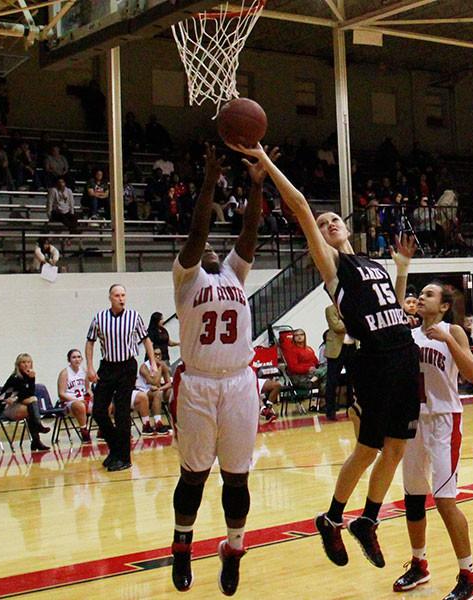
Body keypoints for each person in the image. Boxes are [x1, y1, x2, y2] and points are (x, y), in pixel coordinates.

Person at [232, 142, 422, 573]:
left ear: (346, 227)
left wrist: (402, 268)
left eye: (335, 218)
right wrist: (267, 160)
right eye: (323, 222)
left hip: (403, 353)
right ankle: (332, 517)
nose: (330, 223)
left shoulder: (370, 261)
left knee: (397, 447)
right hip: (373, 359)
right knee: (369, 447)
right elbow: (299, 205)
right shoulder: (334, 265)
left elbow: (392, 306)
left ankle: (367, 520)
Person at [169, 144, 274, 596]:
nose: (211, 247)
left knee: (237, 475)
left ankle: (233, 549)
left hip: (238, 384)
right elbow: (196, 234)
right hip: (196, 385)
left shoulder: (234, 273)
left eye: (216, 245)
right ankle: (182, 545)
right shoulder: (186, 277)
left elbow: (249, 233)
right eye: (204, 246)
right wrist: (209, 183)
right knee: (193, 474)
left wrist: (254, 187)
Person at [391, 236, 473, 600]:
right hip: (414, 421)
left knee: (445, 499)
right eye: (421, 294)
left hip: (445, 421)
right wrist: (402, 268)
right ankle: (419, 564)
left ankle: (470, 576)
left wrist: (449, 342)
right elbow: (396, 307)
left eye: (429, 295)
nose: (422, 298)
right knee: (414, 498)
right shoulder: (410, 334)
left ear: (444, 306)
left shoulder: (453, 331)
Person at [86, 284, 156, 472]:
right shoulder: (100, 318)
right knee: (99, 410)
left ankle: (124, 457)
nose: (121, 298)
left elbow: (146, 339)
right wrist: (90, 366)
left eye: (123, 295)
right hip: (107, 367)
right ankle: (116, 448)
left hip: (127, 366)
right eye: (117, 295)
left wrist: (154, 363)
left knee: (122, 412)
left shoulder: (134, 316)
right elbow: (90, 342)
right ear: (110, 297)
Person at [0, 353, 50, 452]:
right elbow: (24, 395)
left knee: (30, 406)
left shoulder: (28, 376)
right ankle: (37, 434)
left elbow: (30, 394)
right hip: (5, 406)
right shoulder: (15, 377)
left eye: (28, 362)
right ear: (18, 365)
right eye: (23, 362)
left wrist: (32, 379)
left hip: (18, 403)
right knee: (31, 406)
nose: (26, 365)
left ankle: (36, 439)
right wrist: (31, 381)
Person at [280, 329, 326, 411]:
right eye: (297, 335)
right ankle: (323, 404)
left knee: (327, 372)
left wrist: (320, 367)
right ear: (293, 338)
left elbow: (316, 362)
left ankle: (324, 403)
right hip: (299, 378)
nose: (299, 337)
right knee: (325, 376)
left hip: (313, 374)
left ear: (305, 336)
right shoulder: (291, 351)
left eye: (301, 334)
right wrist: (308, 368)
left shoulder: (309, 349)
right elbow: (292, 367)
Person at [132, 347, 172, 436]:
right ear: (150, 355)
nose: (158, 357)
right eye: (155, 354)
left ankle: (174, 420)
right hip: (143, 391)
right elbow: (154, 382)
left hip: (155, 390)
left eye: (159, 354)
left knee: (170, 392)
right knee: (157, 394)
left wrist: (160, 389)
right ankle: (158, 423)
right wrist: (160, 367)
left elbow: (169, 383)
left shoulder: (162, 365)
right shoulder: (144, 367)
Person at [324, 304, 354, 420]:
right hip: (336, 349)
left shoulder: (353, 307)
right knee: (332, 381)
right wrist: (353, 322)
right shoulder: (330, 309)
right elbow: (336, 326)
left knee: (353, 380)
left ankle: (351, 409)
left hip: (352, 347)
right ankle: (330, 411)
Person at [56, 349, 91, 444]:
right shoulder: (64, 373)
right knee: (79, 405)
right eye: (74, 357)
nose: (77, 359)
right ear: (69, 360)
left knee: (106, 404)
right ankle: (84, 431)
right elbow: (61, 394)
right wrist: (76, 400)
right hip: (69, 403)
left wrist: (93, 396)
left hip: (83, 400)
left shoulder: (85, 371)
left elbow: (88, 389)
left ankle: (102, 430)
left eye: (79, 357)